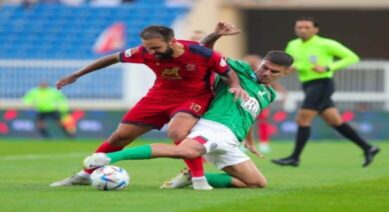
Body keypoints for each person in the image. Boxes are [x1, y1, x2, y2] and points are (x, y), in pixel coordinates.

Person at [50, 23, 246, 190]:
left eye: (156, 48)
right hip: (158, 97)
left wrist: (235, 86)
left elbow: (228, 73)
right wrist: (77, 74)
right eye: (148, 48)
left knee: (177, 132)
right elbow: (111, 57)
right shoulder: (143, 52)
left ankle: (198, 179)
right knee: (120, 136)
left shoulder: (201, 53)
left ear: (172, 41)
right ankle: (84, 175)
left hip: (194, 98)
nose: (151, 53)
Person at [83, 50, 294, 189]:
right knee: (184, 150)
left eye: (273, 71)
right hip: (214, 127)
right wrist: (212, 38)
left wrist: (250, 140)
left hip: (231, 140)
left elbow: (248, 116)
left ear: (285, 73)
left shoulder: (270, 94)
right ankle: (110, 158)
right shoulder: (240, 69)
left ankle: (192, 178)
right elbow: (206, 56)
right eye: (264, 66)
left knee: (256, 183)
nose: (265, 72)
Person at [272, 16, 380, 167]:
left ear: (316, 29)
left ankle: (294, 157)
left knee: (302, 120)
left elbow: (352, 57)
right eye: (299, 27)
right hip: (307, 85)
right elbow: (292, 65)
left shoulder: (326, 43)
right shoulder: (292, 45)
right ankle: (369, 147)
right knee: (335, 121)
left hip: (322, 84)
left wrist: (329, 68)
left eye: (307, 27)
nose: (302, 30)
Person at [242, 54, 287, 153]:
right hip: (244, 104)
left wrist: (283, 99)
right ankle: (244, 142)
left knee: (262, 123)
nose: (253, 65)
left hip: (260, 104)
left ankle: (264, 143)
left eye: (255, 63)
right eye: (251, 64)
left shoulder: (264, 75)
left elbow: (278, 87)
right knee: (245, 123)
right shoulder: (243, 74)